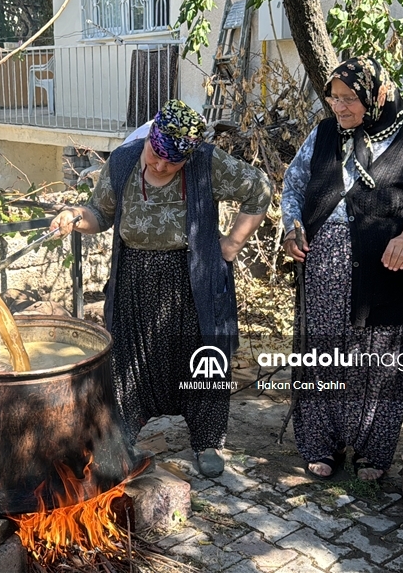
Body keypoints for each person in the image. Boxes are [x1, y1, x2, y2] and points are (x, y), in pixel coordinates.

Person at [50, 100, 272, 477]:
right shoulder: (123, 161)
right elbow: (99, 214)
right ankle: (123, 434)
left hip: (192, 277)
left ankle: (207, 441)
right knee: (127, 363)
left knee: (204, 358)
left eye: (172, 163)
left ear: (189, 156)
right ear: (149, 139)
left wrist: (233, 243)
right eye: (156, 155)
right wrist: (73, 216)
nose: (161, 166)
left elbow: (259, 189)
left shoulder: (206, 161)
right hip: (135, 276)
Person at [281, 57, 403, 481]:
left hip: (385, 267)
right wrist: (292, 226)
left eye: (350, 98)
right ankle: (321, 443)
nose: (339, 108)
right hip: (324, 264)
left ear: (376, 95)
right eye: (334, 98)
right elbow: (295, 184)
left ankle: (373, 451)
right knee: (322, 355)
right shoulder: (323, 134)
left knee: (379, 359)